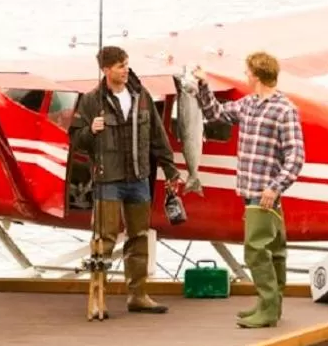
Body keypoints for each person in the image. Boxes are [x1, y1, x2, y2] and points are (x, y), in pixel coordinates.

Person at [192, 51, 304, 328]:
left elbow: (295, 156)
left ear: (256, 75)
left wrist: (275, 187)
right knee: (274, 250)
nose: (246, 76)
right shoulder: (249, 104)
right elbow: (216, 114)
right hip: (251, 189)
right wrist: (203, 85)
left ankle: (267, 308)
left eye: (247, 72)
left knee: (255, 250)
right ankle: (271, 305)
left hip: (264, 192)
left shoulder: (284, 109)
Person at [71, 46, 183, 315]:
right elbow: (76, 140)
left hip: (138, 176)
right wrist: (90, 130)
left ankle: (138, 294)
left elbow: (157, 135)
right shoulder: (89, 101)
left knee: (139, 236)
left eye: (126, 64)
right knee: (104, 239)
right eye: (120, 66)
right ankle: (98, 297)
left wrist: (170, 169)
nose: (126, 70)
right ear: (106, 70)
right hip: (107, 178)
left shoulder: (141, 96)